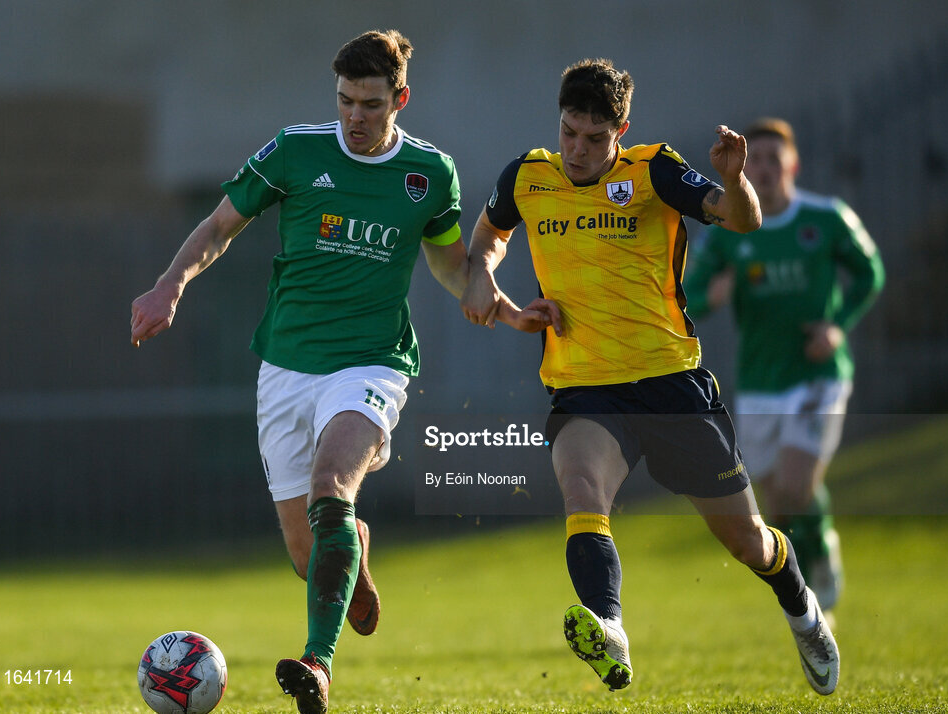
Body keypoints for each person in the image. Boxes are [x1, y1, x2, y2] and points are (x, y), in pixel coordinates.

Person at [129, 29, 539, 714]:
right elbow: (220, 226)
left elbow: (449, 267)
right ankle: (356, 548)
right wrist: (171, 284)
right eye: (346, 100)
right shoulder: (295, 150)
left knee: (331, 486)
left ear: (400, 99)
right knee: (308, 555)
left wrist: (499, 305)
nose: (355, 116)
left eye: (371, 104)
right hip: (286, 369)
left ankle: (317, 664)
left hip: (372, 363)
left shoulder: (429, 173)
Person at [461, 59, 840, 696]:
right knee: (582, 491)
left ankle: (802, 611)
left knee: (748, 541)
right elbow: (490, 234)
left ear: (622, 131)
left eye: (594, 138)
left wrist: (734, 179)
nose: (578, 150)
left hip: (670, 384)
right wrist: (481, 274)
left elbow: (741, 218)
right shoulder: (527, 175)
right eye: (569, 132)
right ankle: (608, 627)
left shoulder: (654, 169)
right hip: (583, 385)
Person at [684, 117, 885, 617]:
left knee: (795, 487)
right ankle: (818, 550)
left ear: (793, 165)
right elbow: (688, 297)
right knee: (780, 507)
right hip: (760, 382)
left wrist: (836, 326)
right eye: (757, 159)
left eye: (776, 158)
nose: (766, 168)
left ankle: (817, 582)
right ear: (744, 168)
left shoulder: (827, 217)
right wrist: (713, 293)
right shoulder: (728, 231)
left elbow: (869, 272)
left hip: (818, 375)